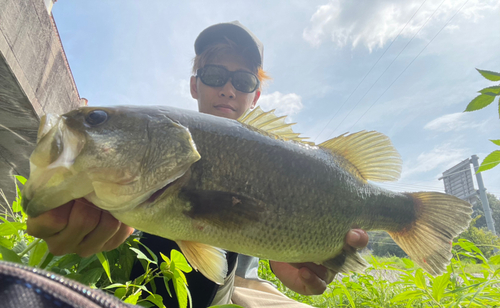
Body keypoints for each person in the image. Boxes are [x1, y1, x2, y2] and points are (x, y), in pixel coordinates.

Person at [26, 21, 369, 307]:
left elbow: (234, 260)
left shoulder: (274, 162)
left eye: (245, 81)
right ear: (195, 84)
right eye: (215, 74)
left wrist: (295, 258)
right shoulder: (145, 160)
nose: (228, 89)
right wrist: (68, 207)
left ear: (256, 96)